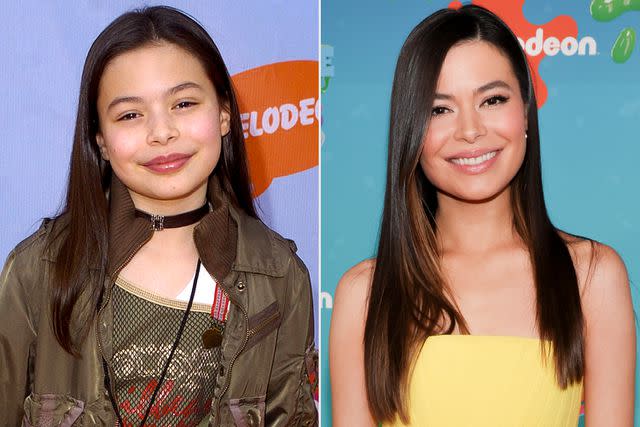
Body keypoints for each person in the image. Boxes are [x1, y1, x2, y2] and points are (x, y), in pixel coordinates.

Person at [0, 6, 317, 426]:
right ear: (100, 139)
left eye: (183, 103)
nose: (161, 132)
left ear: (223, 113)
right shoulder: (39, 271)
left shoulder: (279, 279)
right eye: (130, 114)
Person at [329, 5, 634, 426]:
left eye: (492, 100)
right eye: (440, 109)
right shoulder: (364, 294)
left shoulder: (591, 276)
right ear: (410, 130)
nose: (470, 130)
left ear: (525, 110)